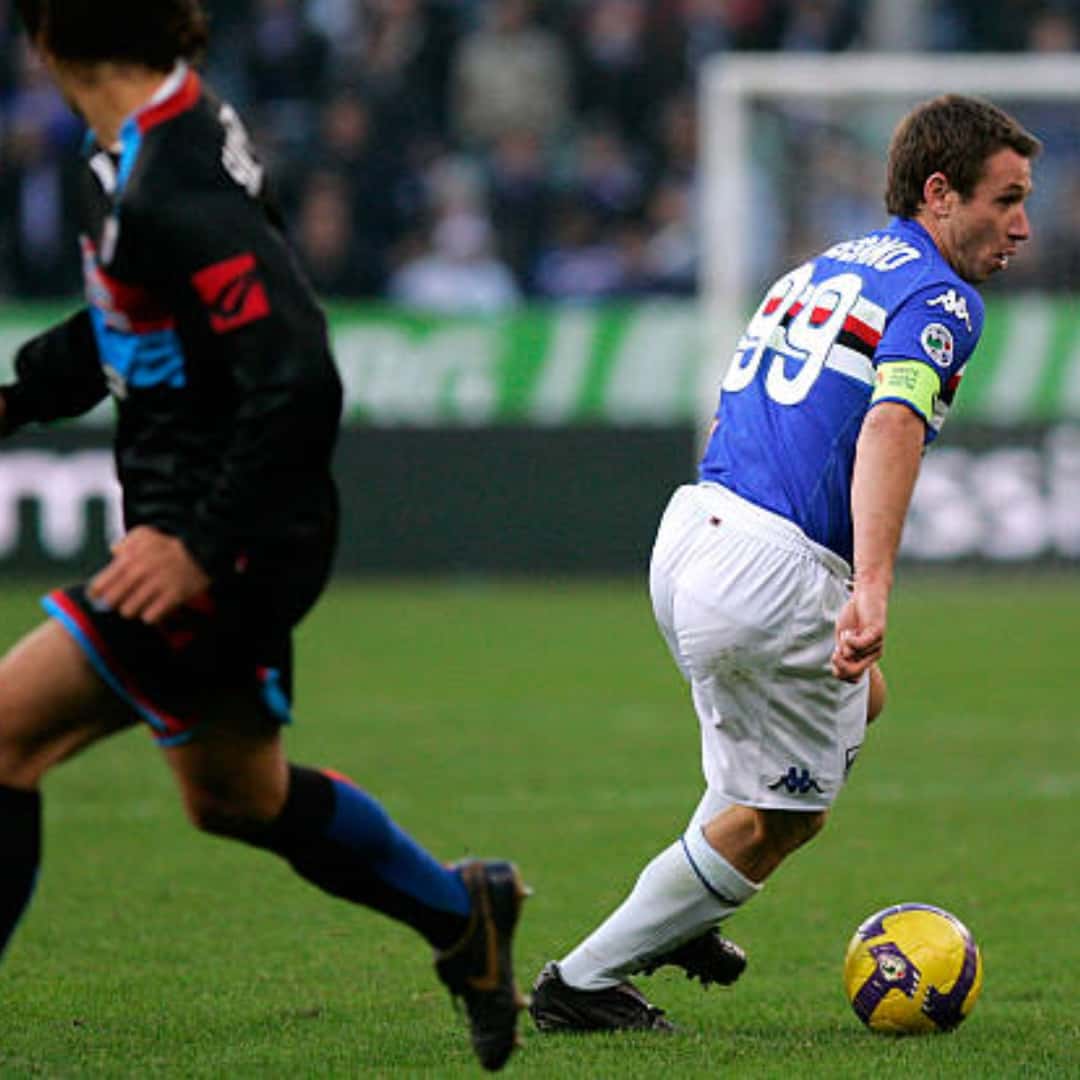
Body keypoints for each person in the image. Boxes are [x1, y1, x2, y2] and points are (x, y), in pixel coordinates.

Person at [0, 3, 526, 1071]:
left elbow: (299, 373)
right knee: (235, 796)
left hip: (220, 546)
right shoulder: (151, 142)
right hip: (224, 528)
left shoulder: (171, 180)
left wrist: (198, 543)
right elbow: (132, 315)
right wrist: (21, 396)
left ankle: (459, 912)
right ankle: (461, 913)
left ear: (49, 44)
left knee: (6, 735)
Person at [529, 93, 1038, 1032]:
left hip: (694, 529)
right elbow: (891, 423)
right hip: (772, 569)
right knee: (787, 818)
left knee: (857, 703)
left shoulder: (826, 266)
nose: (1021, 227)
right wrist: (871, 587)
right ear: (939, 193)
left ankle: (685, 916)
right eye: (1005, 200)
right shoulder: (941, 296)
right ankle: (583, 983)